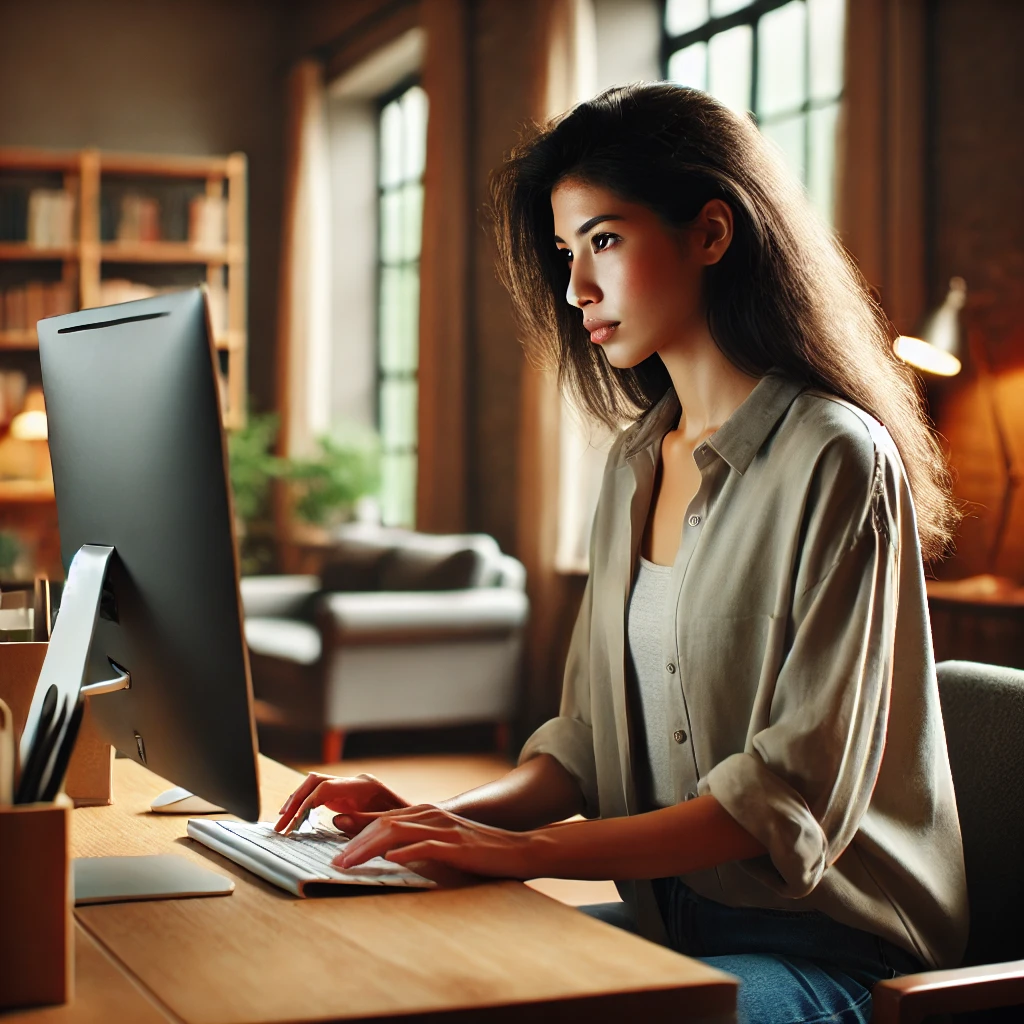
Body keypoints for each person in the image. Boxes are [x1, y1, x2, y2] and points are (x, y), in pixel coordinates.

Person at [275, 84, 968, 1024]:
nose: (576, 291)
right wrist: (439, 818)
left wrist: (532, 855)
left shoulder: (838, 458)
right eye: (567, 254)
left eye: (604, 240)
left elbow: (784, 799)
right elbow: (586, 745)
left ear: (712, 233)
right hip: (673, 919)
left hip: (830, 947)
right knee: (408, 978)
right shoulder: (635, 463)